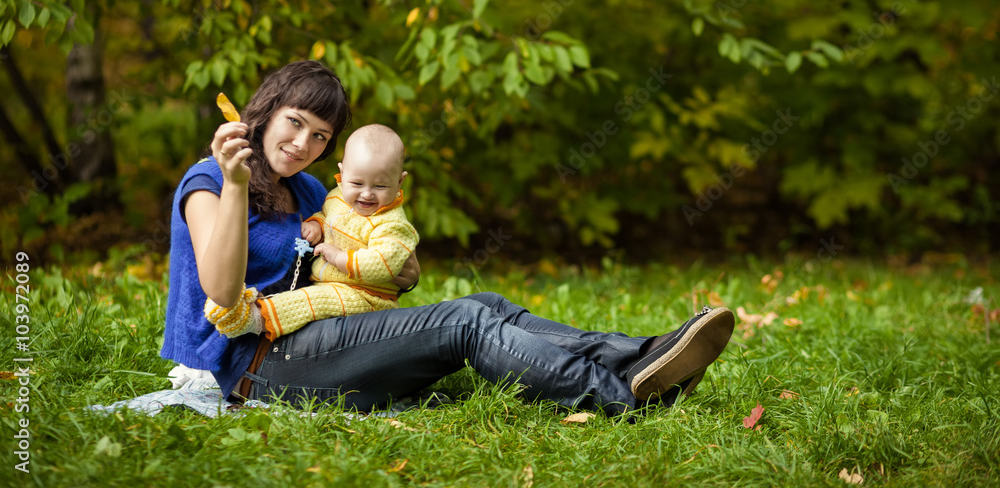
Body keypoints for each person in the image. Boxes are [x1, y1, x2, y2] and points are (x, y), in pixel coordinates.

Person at [160, 60, 735, 414]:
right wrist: (236, 185)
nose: (302, 143)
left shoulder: (312, 193)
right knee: (463, 322)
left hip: (319, 337)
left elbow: (387, 266)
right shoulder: (210, 180)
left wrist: (402, 267)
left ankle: (643, 355)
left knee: (485, 304)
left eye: (320, 135)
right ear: (264, 111)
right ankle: (621, 394)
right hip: (254, 365)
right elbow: (220, 286)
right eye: (294, 122)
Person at [203, 124, 418, 340]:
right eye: (357, 183)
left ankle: (252, 319)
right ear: (342, 174)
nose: (367, 194)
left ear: (399, 181)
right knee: (309, 297)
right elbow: (328, 217)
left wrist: (338, 257)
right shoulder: (338, 197)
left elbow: (382, 264)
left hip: (367, 297)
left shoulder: (392, 223)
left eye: (380, 186)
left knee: (310, 301)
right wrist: (317, 224)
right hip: (336, 285)